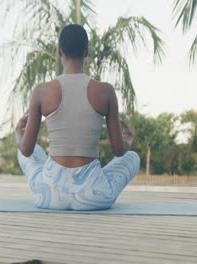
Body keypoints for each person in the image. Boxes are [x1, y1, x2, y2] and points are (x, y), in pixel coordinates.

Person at [16, 24, 140, 210]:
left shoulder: (41, 91)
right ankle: (96, 183)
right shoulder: (105, 91)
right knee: (132, 157)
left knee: (34, 153)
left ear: (60, 51)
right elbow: (119, 151)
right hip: (92, 197)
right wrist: (127, 141)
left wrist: (19, 133)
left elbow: (26, 150)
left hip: (49, 196)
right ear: (86, 51)